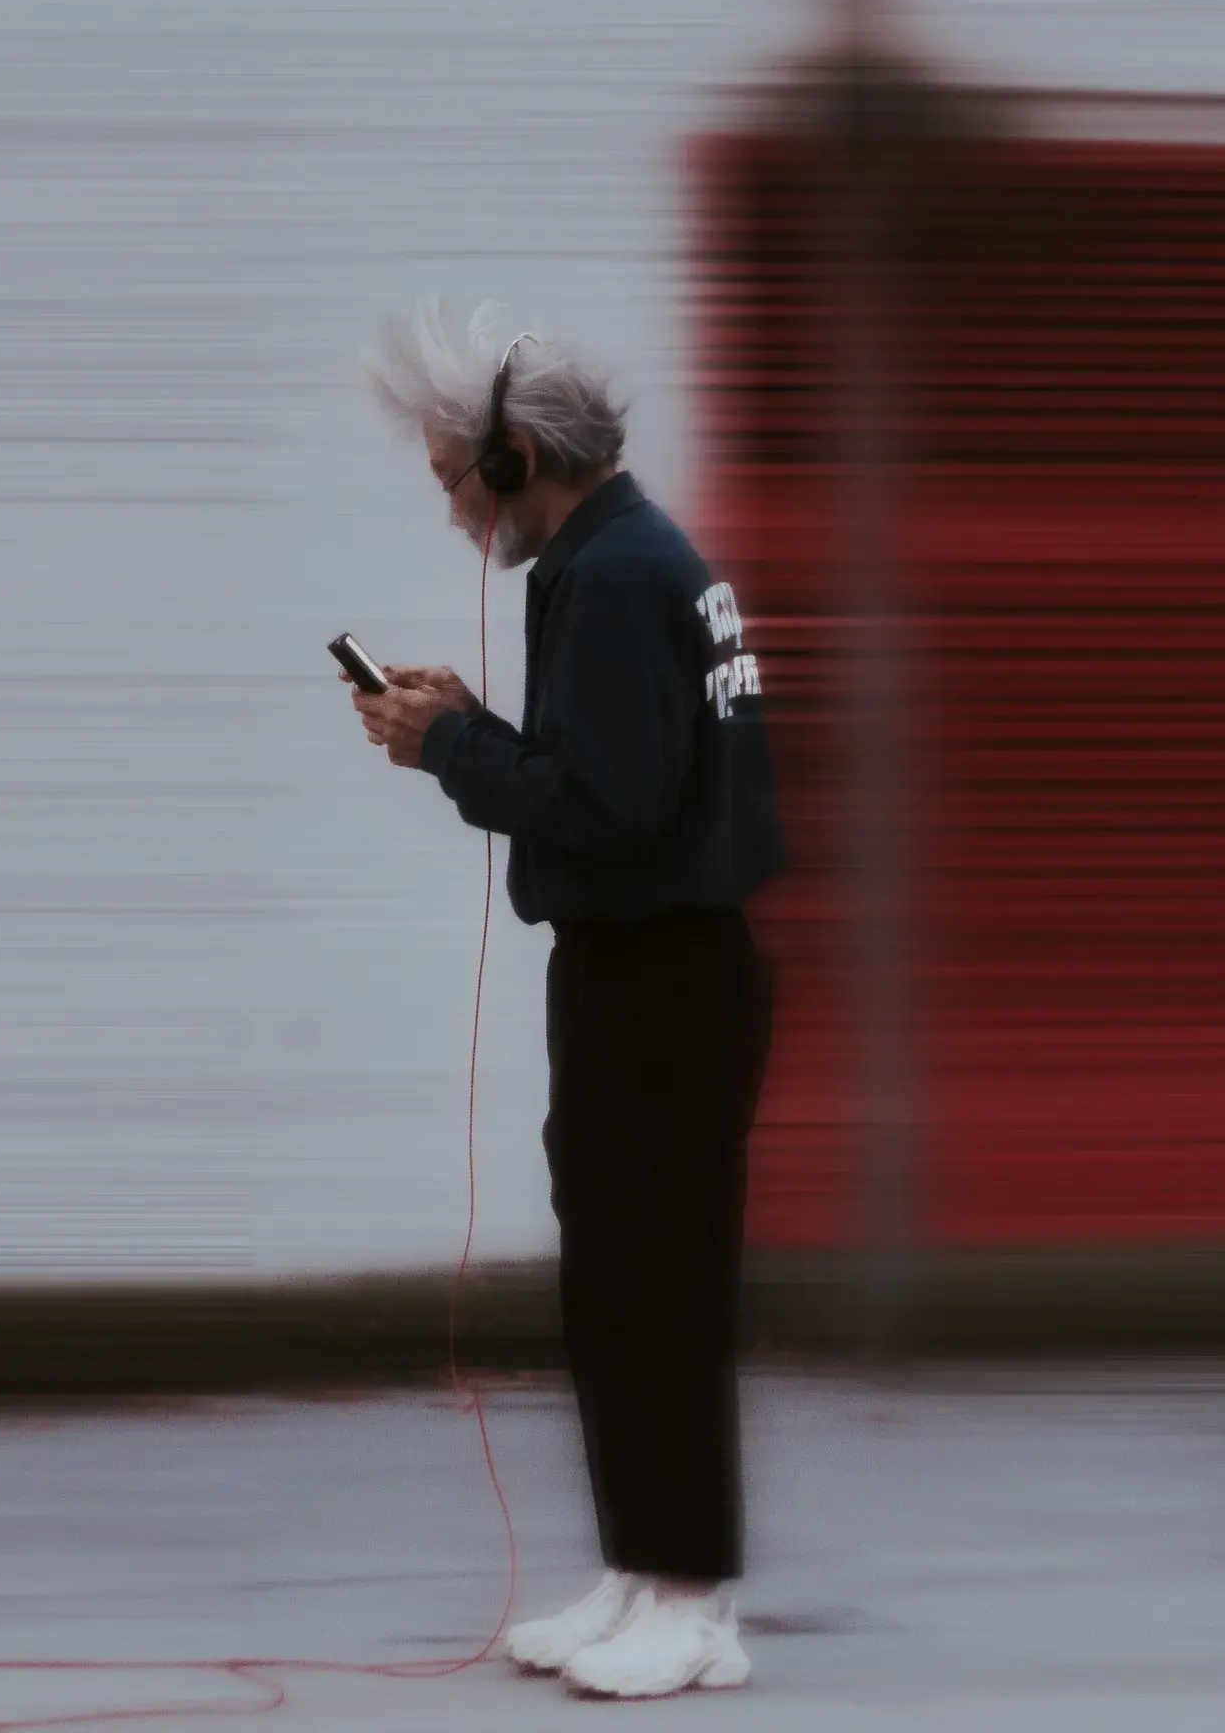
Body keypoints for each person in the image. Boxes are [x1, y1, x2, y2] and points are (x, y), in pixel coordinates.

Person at [349, 301, 784, 1701]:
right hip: (650, 966)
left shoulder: (614, 574)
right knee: (615, 1284)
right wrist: (476, 717)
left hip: (662, 972)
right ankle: (643, 1568)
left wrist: (448, 746)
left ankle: (694, 1601)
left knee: (656, 1289)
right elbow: (622, 769)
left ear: (517, 451)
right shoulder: (626, 559)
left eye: (453, 485)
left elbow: (608, 803)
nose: (457, 516)